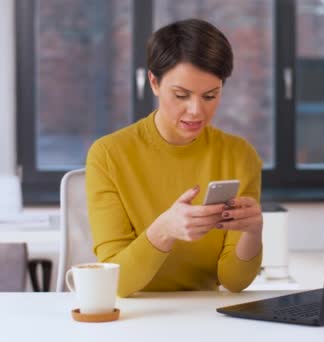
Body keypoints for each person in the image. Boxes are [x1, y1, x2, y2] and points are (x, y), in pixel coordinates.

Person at [85, 18, 263, 297]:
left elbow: (234, 282)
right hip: (134, 316)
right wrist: (164, 230)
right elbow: (115, 282)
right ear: (154, 82)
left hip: (206, 316)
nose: (196, 111)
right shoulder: (108, 155)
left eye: (210, 96)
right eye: (181, 95)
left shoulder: (240, 156)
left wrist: (253, 233)